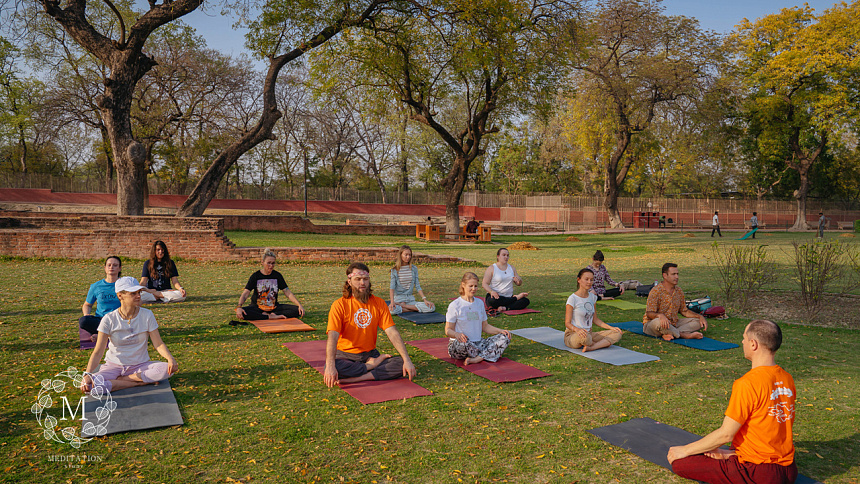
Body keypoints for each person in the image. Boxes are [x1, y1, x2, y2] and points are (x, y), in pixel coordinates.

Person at [668, 320, 797, 484]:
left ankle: (734, 458)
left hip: (759, 473)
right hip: (789, 470)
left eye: (744, 338)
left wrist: (684, 450)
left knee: (681, 464)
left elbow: (726, 434)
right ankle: (733, 454)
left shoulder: (747, 383)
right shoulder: (787, 378)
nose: (742, 342)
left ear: (753, 344)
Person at [323, 262, 417, 387]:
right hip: (345, 355)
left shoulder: (379, 303)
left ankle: (360, 377)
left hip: (369, 354)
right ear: (349, 281)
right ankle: (371, 367)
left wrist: (407, 360)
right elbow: (332, 337)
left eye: (365, 279)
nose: (362, 283)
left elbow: (392, 332)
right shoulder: (339, 305)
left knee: (400, 363)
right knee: (334, 367)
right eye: (358, 279)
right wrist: (330, 366)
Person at [80, 276, 178, 394]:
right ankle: (140, 382)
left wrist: (170, 358)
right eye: (133, 293)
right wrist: (88, 374)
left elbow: (158, 343)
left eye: (139, 292)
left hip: (140, 366)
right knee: (90, 386)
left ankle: (122, 381)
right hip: (114, 367)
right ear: (120, 295)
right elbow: (98, 351)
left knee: (166, 370)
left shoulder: (147, 315)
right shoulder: (109, 319)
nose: (138, 296)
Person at [445, 272, 512, 365]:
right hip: (461, 345)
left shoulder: (479, 303)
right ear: (463, 285)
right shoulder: (455, 305)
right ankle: (489, 353)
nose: (473, 289)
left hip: (478, 343)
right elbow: (448, 330)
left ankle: (477, 358)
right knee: (463, 344)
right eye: (471, 286)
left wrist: (500, 331)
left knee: (505, 337)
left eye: (475, 286)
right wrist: (456, 334)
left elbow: (485, 327)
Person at [643, 263, 708, 340]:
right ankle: (684, 335)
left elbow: (684, 311)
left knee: (697, 322)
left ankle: (668, 333)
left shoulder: (679, 291)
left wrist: (699, 316)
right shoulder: (656, 291)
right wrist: (660, 316)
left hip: (673, 324)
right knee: (658, 322)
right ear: (665, 275)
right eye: (673, 274)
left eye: (677, 274)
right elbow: (649, 313)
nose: (676, 277)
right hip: (653, 324)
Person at [235, 249, 305, 321]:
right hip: (258, 307)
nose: (271, 266)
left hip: (273, 308)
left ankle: (272, 315)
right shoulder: (255, 276)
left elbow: (287, 291)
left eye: (273, 263)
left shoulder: (277, 276)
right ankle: (269, 317)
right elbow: (246, 293)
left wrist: (299, 305)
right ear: (262, 262)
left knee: (297, 310)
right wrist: (239, 306)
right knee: (242, 312)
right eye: (268, 263)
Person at [565, 268, 623, 352]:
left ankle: (592, 347)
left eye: (591, 280)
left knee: (617, 334)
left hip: (589, 334)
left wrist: (611, 328)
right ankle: (598, 343)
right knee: (586, 338)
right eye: (586, 279)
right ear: (579, 280)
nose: (589, 282)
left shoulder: (593, 297)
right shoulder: (572, 299)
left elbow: (595, 320)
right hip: (573, 334)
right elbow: (567, 323)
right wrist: (577, 330)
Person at [79, 256, 123, 341]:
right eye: (109, 265)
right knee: (83, 321)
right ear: (105, 268)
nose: (111, 267)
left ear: (120, 268)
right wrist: (86, 314)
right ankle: (108, 335)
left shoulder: (124, 284)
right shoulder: (96, 286)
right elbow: (87, 305)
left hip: (119, 319)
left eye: (115, 265)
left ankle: (101, 336)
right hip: (101, 320)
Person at [389, 245, 435, 315]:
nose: (408, 257)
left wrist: (425, 299)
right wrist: (392, 302)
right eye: (406, 255)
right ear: (401, 255)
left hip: (410, 299)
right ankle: (413, 308)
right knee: (391, 310)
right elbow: (392, 288)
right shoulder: (395, 270)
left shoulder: (413, 269)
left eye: (410, 255)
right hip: (398, 300)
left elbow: (417, 285)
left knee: (431, 307)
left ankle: (405, 307)